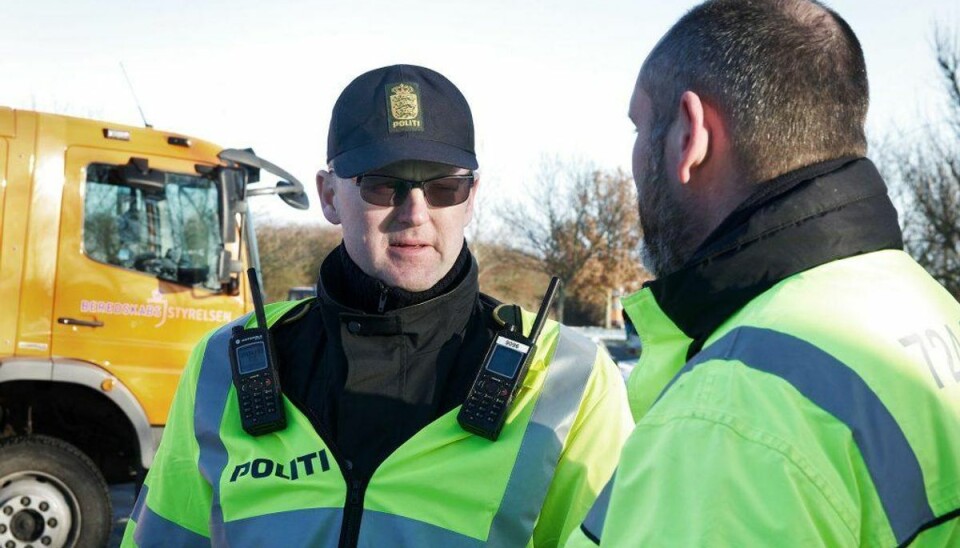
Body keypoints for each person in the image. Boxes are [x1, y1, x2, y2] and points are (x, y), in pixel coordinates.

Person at [123, 64, 633, 547]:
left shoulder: (569, 378)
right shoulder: (227, 362)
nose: (415, 213)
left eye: (442, 187)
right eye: (383, 184)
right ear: (328, 196)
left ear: (472, 197)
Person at [572, 1, 960, 546]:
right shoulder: (932, 306)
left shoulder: (729, 415)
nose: (633, 162)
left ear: (690, 134)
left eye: (639, 128)